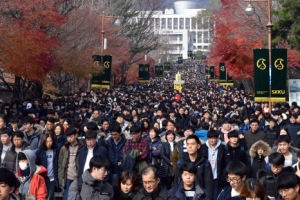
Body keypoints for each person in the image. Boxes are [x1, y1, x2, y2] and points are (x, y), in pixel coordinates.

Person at [174, 135, 214, 199]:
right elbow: (176, 181)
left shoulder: (205, 162)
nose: (190, 146)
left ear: (198, 146)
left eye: (192, 144)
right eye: (188, 144)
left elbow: (209, 184)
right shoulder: (181, 162)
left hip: (200, 195)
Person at [58, 127, 85, 200]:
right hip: (67, 178)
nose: (69, 139)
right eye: (67, 137)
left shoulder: (82, 147)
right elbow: (60, 163)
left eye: (71, 137)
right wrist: (61, 177)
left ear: (76, 135)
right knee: (67, 197)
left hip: (78, 178)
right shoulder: (64, 148)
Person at [200, 130, 226, 199]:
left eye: (214, 138)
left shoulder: (222, 148)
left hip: (217, 178)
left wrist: (223, 177)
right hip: (206, 177)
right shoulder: (203, 147)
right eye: (210, 138)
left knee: (216, 197)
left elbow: (225, 163)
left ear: (217, 138)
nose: (211, 140)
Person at [35, 133, 59, 200]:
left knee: (50, 196)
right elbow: (36, 163)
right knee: (43, 195)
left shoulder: (56, 151)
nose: (48, 143)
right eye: (47, 141)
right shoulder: (40, 151)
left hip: (52, 177)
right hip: (43, 177)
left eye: (50, 141)